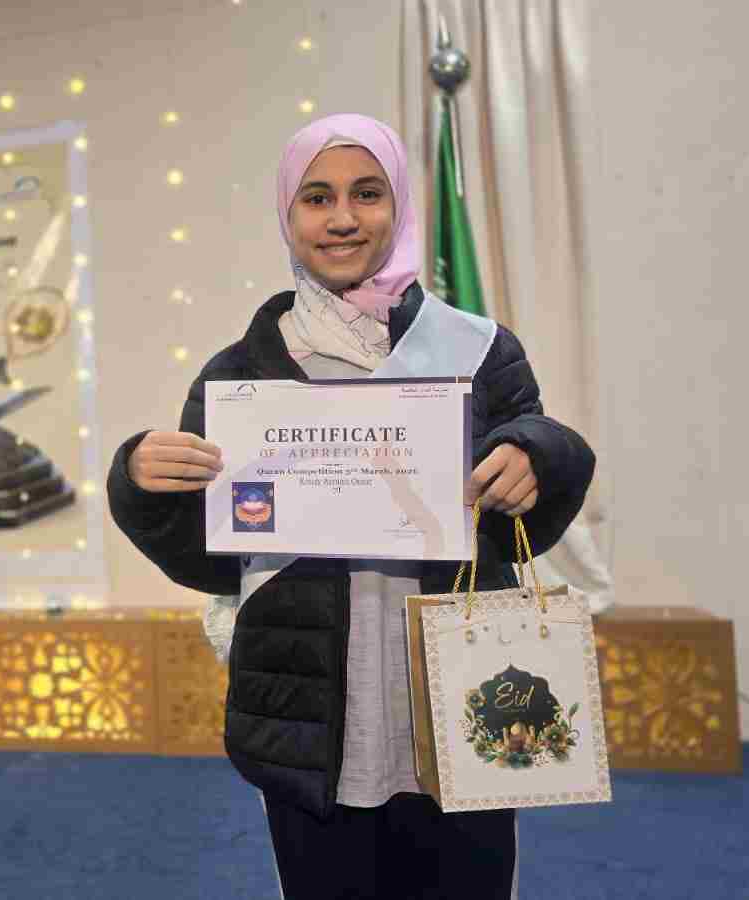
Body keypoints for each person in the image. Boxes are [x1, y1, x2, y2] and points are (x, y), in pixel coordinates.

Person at [105, 114, 595, 899]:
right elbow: (208, 557)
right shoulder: (238, 375)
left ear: (398, 204)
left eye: (367, 193)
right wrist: (139, 480)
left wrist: (539, 454)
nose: (342, 218)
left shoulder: (477, 347)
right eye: (317, 198)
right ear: (287, 214)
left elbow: (530, 485)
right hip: (309, 721)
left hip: (461, 705)